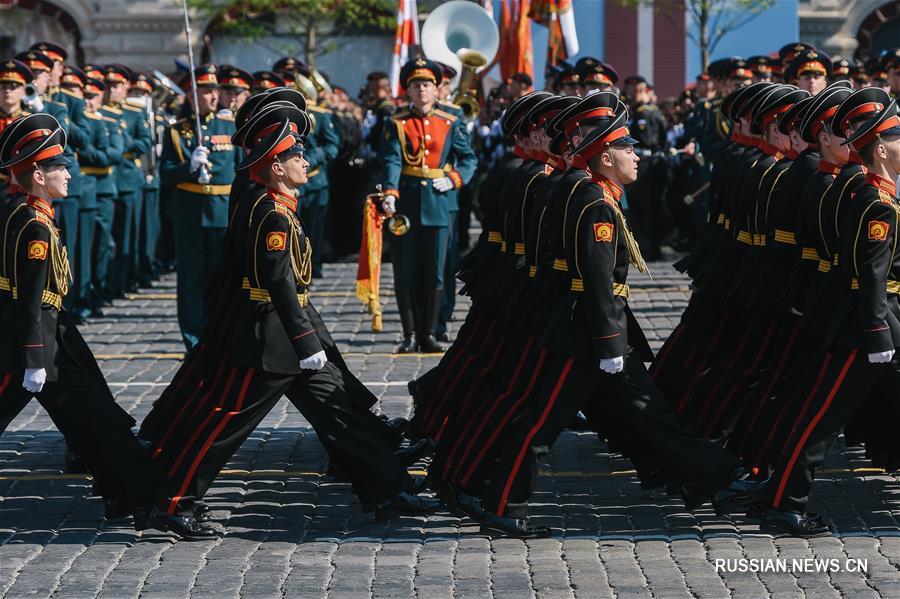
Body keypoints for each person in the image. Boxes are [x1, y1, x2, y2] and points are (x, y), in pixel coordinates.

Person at [144, 99, 438, 537]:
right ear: (276, 167)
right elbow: (278, 282)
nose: (304, 161)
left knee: (339, 411)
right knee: (226, 421)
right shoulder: (271, 211)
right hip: (269, 336)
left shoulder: (275, 201)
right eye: (295, 156)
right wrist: (305, 339)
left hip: (286, 331)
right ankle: (170, 500)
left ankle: (386, 487)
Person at [0, 113, 197, 538]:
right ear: (36, 174)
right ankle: (144, 499)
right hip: (29, 341)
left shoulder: (35, 214)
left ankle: (133, 496)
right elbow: (28, 298)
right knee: (93, 420)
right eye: (58, 167)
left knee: (95, 420)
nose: (68, 173)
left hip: (52, 335)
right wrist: (34, 357)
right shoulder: (32, 223)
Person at [381, 58, 477, 353]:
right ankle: (410, 334)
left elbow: (469, 157)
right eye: (415, 85)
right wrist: (390, 192)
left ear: (437, 89)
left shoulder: (451, 117)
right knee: (405, 270)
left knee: (436, 271)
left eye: (426, 85)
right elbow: (392, 159)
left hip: (439, 200)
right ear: (408, 90)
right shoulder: (397, 121)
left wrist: (455, 179)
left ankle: (430, 332)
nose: (421, 90)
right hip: (406, 202)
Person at [159, 64, 240, 350]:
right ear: (192, 96)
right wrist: (188, 167)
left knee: (221, 280)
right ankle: (194, 342)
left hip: (222, 211)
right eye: (207, 91)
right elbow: (165, 174)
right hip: (190, 213)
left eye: (216, 90)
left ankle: (222, 337)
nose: (214, 96)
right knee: (191, 282)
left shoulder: (232, 128)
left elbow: (242, 170)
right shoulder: (176, 132)